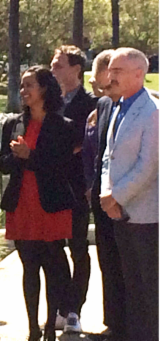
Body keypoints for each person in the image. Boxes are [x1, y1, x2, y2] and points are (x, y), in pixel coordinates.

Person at [0, 66, 75, 341]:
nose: (23, 91)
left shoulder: (61, 126)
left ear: (43, 88)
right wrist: (18, 157)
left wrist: (30, 155)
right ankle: (32, 328)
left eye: (28, 85)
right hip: (21, 206)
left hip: (50, 206)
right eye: (21, 86)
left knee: (52, 268)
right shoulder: (13, 124)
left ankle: (49, 327)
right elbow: (3, 166)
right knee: (29, 268)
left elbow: (60, 166)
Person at [99, 48, 158, 341]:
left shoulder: (153, 112)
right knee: (131, 286)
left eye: (118, 71)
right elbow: (109, 156)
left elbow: (147, 166)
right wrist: (106, 194)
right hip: (119, 212)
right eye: (110, 70)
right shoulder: (118, 107)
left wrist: (116, 197)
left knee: (150, 290)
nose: (111, 76)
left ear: (139, 74)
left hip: (145, 215)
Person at [50, 45, 97, 332]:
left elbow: (85, 143)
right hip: (52, 188)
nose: (54, 70)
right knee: (54, 251)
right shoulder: (51, 102)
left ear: (76, 69)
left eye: (59, 65)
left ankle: (74, 310)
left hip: (77, 186)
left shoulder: (90, 103)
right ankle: (60, 303)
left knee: (78, 249)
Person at [82, 50, 126, 341]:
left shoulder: (143, 106)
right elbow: (100, 152)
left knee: (129, 265)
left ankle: (134, 323)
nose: (102, 88)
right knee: (107, 261)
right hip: (101, 196)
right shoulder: (102, 106)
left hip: (129, 197)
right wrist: (92, 186)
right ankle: (114, 322)